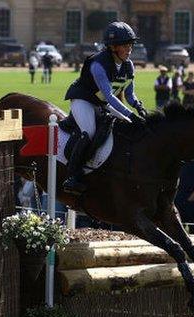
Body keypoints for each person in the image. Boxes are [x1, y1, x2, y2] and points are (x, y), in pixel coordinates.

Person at [63, 21, 147, 194]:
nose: (130, 49)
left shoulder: (128, 65)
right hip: (83, 100)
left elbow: (129, 95)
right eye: (126, 45)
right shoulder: (98, 64)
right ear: (113, 47)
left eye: (131, 44)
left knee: (123, 126)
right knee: (90, 131)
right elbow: (109, 95)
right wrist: (130, 114)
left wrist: (139, 107)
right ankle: (72, 176)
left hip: (101, 103)